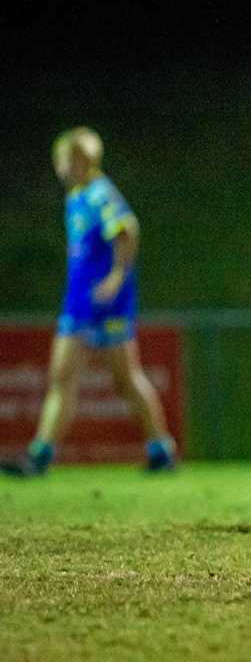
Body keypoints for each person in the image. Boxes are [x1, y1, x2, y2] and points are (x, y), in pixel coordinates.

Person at [4, 128, 176, 477]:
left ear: (83, 159)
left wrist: (115, 277)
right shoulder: (76, 197)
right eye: (61, 161)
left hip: (107, 302)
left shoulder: (99, 193)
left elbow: (127, 230)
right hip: (80, 301)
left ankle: (161, 449)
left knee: (124, 379)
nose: (62, 168)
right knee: (64, 376)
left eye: (67, 160)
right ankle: (40, 455)